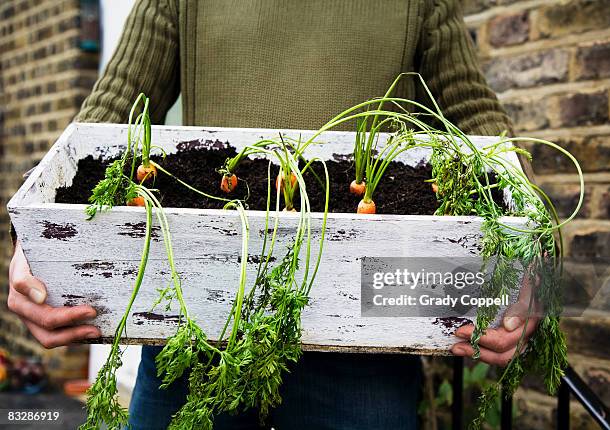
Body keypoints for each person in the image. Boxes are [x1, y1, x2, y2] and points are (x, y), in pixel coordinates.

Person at [7, 0, 539, 428]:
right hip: (196, 325)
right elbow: (112, 110)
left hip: (365, 336)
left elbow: (479, 122)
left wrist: (531, 250)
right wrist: (37, 241)